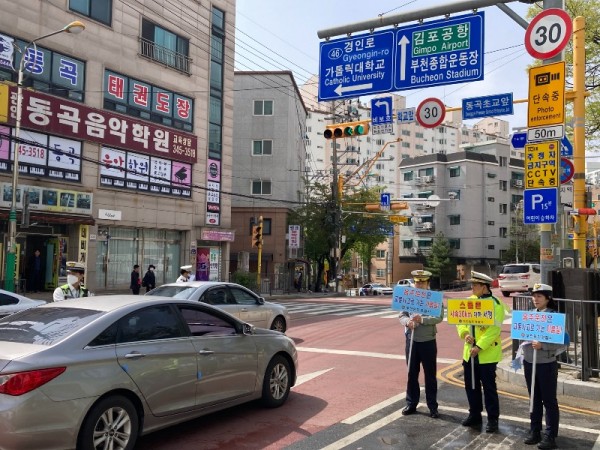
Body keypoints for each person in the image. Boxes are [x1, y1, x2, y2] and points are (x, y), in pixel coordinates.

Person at [456, 271, 505, 433]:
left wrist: (479, 346)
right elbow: (460, 320)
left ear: (484, 287)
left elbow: (494, 330)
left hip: (487, 354)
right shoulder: (469, 301)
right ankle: (474, 414)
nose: (472, 288)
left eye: (475, 285)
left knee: (489, 388)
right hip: (469, 353)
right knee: (471, 386)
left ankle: (492, 419)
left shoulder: (495, 304)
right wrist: (465, 334)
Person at [399, 270, 444, 418]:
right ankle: (411, 403)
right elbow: (402, 315)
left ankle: (432, 406)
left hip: (428, 341)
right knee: (412, 374)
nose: (419, 284)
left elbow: (439, 317)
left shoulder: (434, 298)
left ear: (427, 283)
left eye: (422, 282)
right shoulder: (409, 297)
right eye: (417, 282)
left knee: (430, 375)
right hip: (411, 340)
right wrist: (408, 322)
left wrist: (422, 320)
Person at [521, 283, 561, 449]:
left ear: (547, 298)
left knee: (549, 400)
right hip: (530, 362)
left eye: (539, 296)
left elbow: (561, 342)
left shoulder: (555, 316)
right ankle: (535, 430)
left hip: (546, 364)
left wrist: (543, 345)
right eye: (533, 296)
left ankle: (550, 435)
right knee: (534, 398)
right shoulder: (529, 315)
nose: (535, 299)